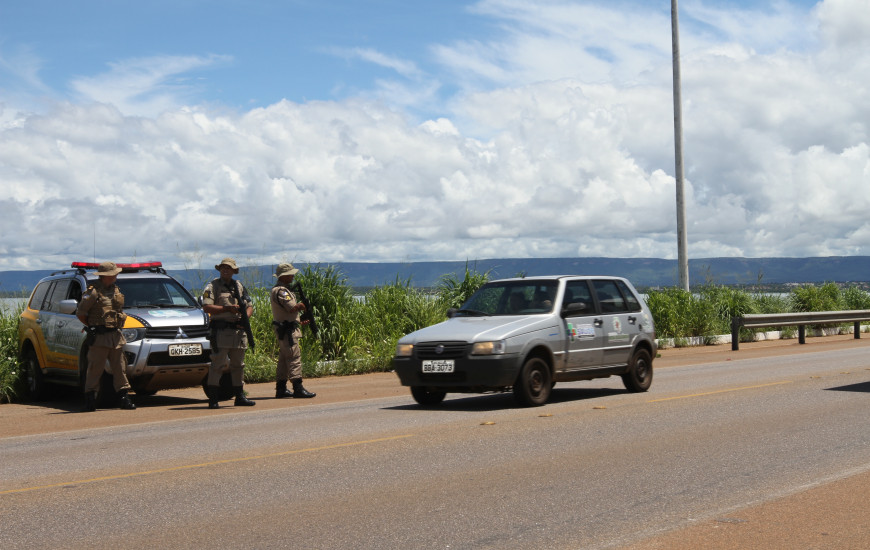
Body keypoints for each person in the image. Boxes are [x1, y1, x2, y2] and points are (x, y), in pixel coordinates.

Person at [76, 261, 136, 412]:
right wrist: (93, 326)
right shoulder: (93, 292)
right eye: (113, 274)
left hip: (115, 335)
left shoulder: (116, 289)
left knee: (120, 368)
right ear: (105, 276)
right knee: (95, 369)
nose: (116, 276)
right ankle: (90, 399)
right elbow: (81, 313)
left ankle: (124, 398)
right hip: (100, 337)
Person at [201, 257, 256, 409]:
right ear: (220, 270)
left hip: (238, 331)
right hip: (221, 331)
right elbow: (206, 307)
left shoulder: (239, 285)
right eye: (223, 267)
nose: (226, 270)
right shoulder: (212, 286)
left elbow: (249, 305)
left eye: (229, 268)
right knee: (218, 364)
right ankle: (213, 399)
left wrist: (245, 318)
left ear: (234, 271)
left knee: (238, 365)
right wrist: (227, 309)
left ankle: (239, 396)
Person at [270, 263, 316, 398]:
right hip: (287, 331)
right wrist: (302, 306)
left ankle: (281, 388)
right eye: (290, 274)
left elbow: (288, 313)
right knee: (294, 357)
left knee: (284, 359)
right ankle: (298, 387)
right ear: (283, 276)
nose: (293, 276)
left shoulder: (281, 289)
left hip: (286, 328)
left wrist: (298, 320)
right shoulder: (282, 291)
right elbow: (291, 307)